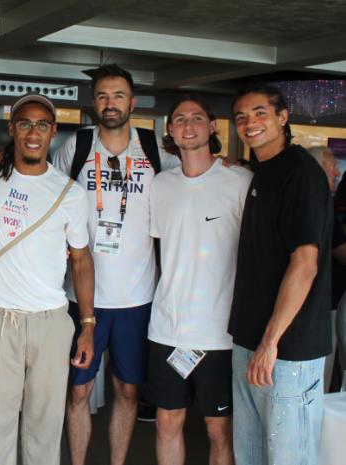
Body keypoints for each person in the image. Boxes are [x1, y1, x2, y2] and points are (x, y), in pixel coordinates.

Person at [52, 64, 181, 465]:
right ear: (94, 102)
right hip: (81, 296)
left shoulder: (154, 150)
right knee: (78, 392)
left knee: (128, 390)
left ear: (132, 102)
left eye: (118, 96)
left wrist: (229, 165)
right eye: (104, 96)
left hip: (137, 298)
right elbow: (47, 196)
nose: (111, 103)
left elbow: (195, 179)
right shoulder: (76, 146)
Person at [0, 93, 94, 465]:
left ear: (53, 131)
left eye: (42, 124)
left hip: (50, 322)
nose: (33, 132)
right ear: (12, 128)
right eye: (24, 123)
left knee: (45, 424)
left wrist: (87, 325)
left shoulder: (70, 193)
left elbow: (81, 262)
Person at [229, 83, 332, 465]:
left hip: (287, 352)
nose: (249, 123)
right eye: (241, 117)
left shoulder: (301, 174)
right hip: (250, 342)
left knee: (290, 458)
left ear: (282, 117)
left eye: (260, 113)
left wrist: (270, 343)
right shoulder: (265, 171)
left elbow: (305, 262)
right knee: (252, 455)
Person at [148, 94, 251, 465]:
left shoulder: (239, 181)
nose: (187, 126)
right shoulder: (160, 185)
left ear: (212, 127)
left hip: (220, 333)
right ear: (170, 131)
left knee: (218, 429)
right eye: (179, 119)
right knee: (166, 422)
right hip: (167, 329)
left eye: (196, 118)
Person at [309, 145, 344, 390]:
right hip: (324, 303)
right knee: (320, 372)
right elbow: (340, 251)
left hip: (326, 301)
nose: (337, 173)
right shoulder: (319, 205)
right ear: (319, 168)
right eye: (332, 166)